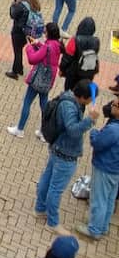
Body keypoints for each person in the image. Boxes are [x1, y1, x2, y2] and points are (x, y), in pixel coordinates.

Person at [35, 79, 98, 232]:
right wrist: (90, 120)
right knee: (56, 188)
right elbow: (73, 130)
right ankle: (52, 223)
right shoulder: (69, 106)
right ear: (83, 97)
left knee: (47, 179)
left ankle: (40, 209)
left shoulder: (68, 98)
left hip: (57, 148)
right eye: (91, 98)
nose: (91, 101)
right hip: (65, 154)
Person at [7, 23, 61, 140]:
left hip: (38, 79)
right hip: (48, 80)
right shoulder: (57, 45)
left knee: (27, 102)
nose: (44, 33)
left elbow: (33, 59)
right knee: (44, 105)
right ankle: (43, 132)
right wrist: (37, 43)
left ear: (49, 33)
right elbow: (46, 52)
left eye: (45, 31)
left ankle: (20, 129)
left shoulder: (47, 47)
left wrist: (30, 47)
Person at [75, 98, 119, 239]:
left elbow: (97, 143)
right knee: (109, 200)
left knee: (99, 199)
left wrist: (94, 132)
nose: (112, 106)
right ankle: (103, 226)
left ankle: (94, 230)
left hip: (105, 168)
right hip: (115, 170)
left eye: (115, 105)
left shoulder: (113, 130)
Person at [5, 0, 40, 79]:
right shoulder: (34, 3)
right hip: (28, 31)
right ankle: (19, 68)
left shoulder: (21, 5)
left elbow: (13, 15)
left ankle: (15, 71)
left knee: (17, 51)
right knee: (19, 49)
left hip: (18, 31)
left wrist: (14, 5)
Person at [60, 17, 100, 92]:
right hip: (88, 73)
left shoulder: (74, 40)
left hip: (73, 73)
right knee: (82, 93)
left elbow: (66, 58)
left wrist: (62, 69)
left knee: (69, 92)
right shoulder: (96, 41)